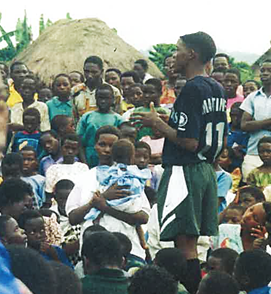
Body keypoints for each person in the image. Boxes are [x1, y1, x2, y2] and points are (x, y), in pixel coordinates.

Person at [131, 31, 227, 294]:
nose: (175, 54)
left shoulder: (192, 88)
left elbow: (189, 141)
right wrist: (169, 122)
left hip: (185, 171)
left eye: (178, 49)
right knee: (191, 244)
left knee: (184, 246)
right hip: (205, 169)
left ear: (192, 54)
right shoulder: (215, 87)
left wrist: (157, 123)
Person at [66, 125, 150, 264]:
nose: (106, 150)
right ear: (95, 146)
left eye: (112, 146)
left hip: (129, 250)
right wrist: (102, 198)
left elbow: (143, 216)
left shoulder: (130, 178)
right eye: (102, 144)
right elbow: (73, 218)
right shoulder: (85, 178)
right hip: (93, 254)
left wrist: (105, 207)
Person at [77, 84, 124, 167]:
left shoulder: (118, 119)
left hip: (111, 158)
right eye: (100, 98)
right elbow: (80, 142)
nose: (103, 101)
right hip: (89, 157)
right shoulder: (87, 117)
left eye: (106, 98)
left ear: (113, 99)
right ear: (95, 99)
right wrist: (84, 163)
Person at [241, 60, 271, 181]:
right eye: (262, 70)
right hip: (254, 153)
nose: (264, 73)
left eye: (269, 71)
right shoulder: (252, 97)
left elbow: (250, 124)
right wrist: (268, 122)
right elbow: (244, 125)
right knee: (251, 193)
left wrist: (256, 123)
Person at [72, 55, 122, 123]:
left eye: (94, 72)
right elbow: (73, 117)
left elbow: (118, 116)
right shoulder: (75, 91)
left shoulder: (113, 91)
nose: (89, 75)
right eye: (86, 71)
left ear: (101, 72)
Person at [45, 133, 88, 198]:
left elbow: (85, 191)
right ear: (61, 148)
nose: (70, 151)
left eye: (73, 149)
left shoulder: (83, 168)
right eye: (67, 148)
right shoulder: (53, 169)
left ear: (77, 151)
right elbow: (49, 193)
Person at [50, 179, 81, 265]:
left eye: (69, 199)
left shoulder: (81, 213)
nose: (65, 203)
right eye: (61, 199)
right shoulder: (51, 215)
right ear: (55, 198)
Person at [227, 102, 248, 169]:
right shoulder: (224, 128)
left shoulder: (247, 132)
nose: (235, 118)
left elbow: (241, 154)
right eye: (233, 115)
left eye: (238, 116)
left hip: (239, 166)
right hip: (223, 166)